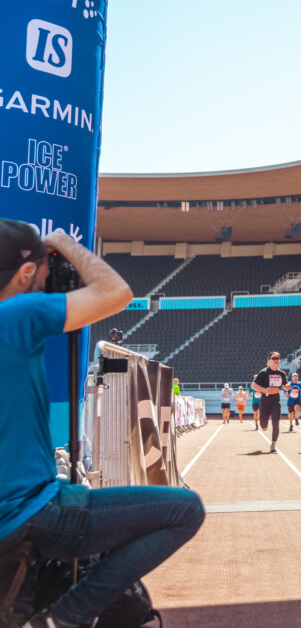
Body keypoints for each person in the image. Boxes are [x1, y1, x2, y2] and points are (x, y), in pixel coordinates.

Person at [0, 219, 204, 627]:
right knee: (184, 511)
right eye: (42, 273)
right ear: (25, 273)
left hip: (22, 509)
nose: (45, 283)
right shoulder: (16, 314)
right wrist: (65, 245)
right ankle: (65, 617)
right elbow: (117, 293)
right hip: (30, 514)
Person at [250, 352, 291, 453]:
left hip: (276, 400)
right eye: (274, 358)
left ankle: (273, 444)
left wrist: (287, 386)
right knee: (263, 425)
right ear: (269, 360)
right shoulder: (264, 372)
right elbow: (253, 386)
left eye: (277, 358)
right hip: (264, 401)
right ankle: (264, 425)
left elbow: (285, 385)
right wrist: (264, 389)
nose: (276, 360)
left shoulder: (281, 373)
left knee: (276, 422)